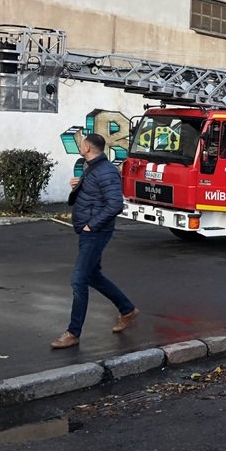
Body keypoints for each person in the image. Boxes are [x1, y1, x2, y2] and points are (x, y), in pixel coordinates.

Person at [51, 133, 138, 349]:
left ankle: (73, 332)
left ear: (88, 148)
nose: (80, 146)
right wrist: (79, 185)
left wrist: (92, 225)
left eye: (82, 144)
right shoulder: (94, 167)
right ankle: (127, 309)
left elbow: (115, 203)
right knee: (93, 276)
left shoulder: (106, 171)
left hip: (95, 232)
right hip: (88, 230)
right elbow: (94, 195)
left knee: (78, 280)